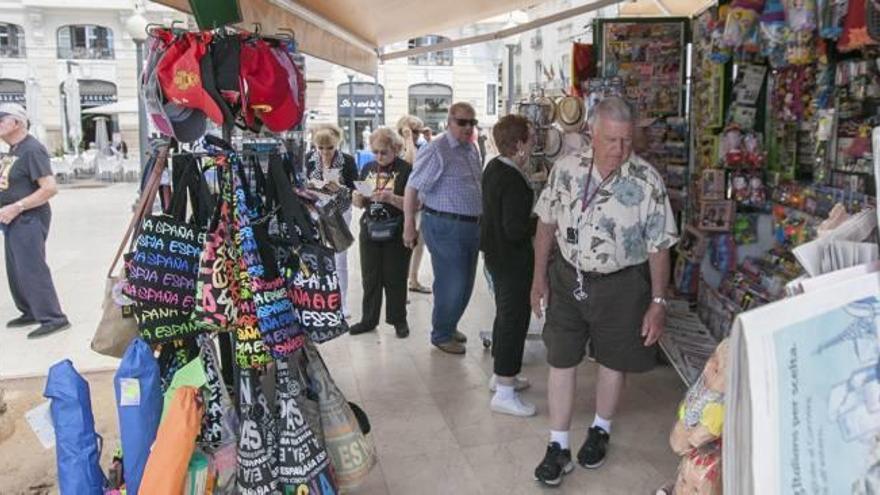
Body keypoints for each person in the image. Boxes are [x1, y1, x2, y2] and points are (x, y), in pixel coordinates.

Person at [530, 97, 678, 487]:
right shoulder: (564, 171)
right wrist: (538, 278)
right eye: (611, 140)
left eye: (627, 141)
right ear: (591, 134)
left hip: (623, 284)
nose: (620, 149)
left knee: (614, 360)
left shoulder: (647, 181)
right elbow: (545, 225)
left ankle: (600, 429)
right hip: (567, 277)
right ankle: (557, 445)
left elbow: (659, 245)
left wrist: (658, 302)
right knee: (561, 358)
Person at [404, 102, 482, 355]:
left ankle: (449, 325)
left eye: (472, 122)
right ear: (449, 122)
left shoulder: (471, 148)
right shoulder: (437, 149)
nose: (468, 127)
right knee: (452, 282)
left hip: (470, 225)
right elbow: (412, 187)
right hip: (445, 224)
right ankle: (441, 333)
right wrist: (409, 226)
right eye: (462, 122)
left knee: (466, 282)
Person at [480, 115, 538, 417]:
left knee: (505, 316)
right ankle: (504, 389)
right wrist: (540, 222)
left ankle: (503, 376)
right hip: (511, 259)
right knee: (514, 319)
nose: (534, 143)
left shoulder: (494, 167)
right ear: (519, 143)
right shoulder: (512, 179)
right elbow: (515, 228)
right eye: (530, 138)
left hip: (496, 255)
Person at [0, 103, 70, 338]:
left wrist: (17, 206)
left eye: (1, 119)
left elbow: (49, 188)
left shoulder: (32, 149)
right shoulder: (14, 149)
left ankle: (53, 317)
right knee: (16, 269)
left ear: (17, 123)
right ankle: (30, 310)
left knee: (32, 268)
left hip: (28, 217)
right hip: (11, 218)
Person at [349, 127, 412, 338]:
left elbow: (416, 204)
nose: (379, 156)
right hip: (370, 228)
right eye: (375, 151)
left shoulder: (406, 169)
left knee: (396, 276)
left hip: (397, 229)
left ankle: (398, 320)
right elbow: (361, 199)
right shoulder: (367, 168)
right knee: (370, 277)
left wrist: (391, 198)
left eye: (384, 152)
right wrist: (357, 199)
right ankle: (369, 319)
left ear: (395, 149)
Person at [305, 123, 358, 317]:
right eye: (321, 148)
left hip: (340, 211)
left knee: (340, 257)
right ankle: (322, 299)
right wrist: (309, 188)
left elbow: (359, 189)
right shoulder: (309, 160)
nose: (325, 152)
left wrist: (341, 188)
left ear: (337, 145)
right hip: (315, 210)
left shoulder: (348, 161)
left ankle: (342, 303)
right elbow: (300, 185)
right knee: (317, 255)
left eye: (330, 148)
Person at [396, 115, 431, 294]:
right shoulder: (397, 146)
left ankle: (413, 279)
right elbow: (411, 162)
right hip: (403, 201)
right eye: (412, 131)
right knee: (404, 242)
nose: (417, 135)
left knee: (420, 242)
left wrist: (428, 139)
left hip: (422, 201)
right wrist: (408, 139)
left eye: (418, 131)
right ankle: (401, 282)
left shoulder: (423, 145)